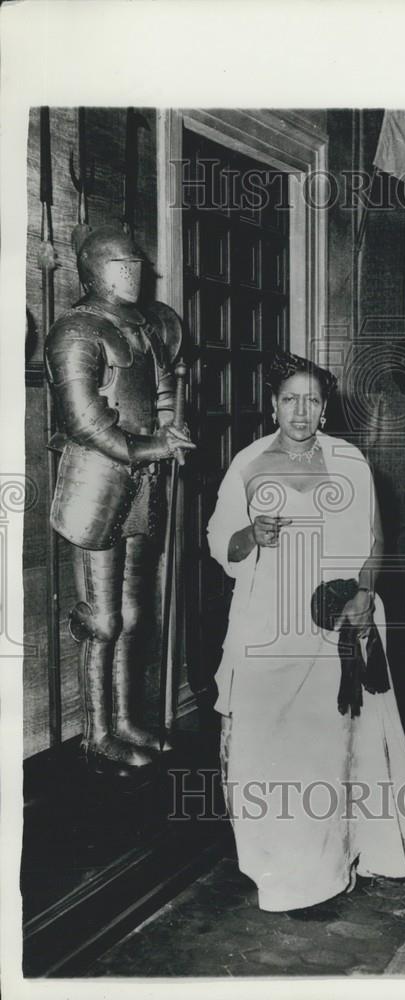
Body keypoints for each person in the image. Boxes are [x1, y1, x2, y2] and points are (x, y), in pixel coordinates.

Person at [207, 350, 405, 917]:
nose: (300, 411)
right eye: (290, 399)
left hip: (336, 623)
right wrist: (252, 533)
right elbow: (221, 546)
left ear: (325, 407)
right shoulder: (248, 464)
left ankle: (330, 869)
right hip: (267, 626)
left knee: (329, 750)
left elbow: (376, 540)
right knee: (267, 749)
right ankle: (280, 871)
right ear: (274, 405)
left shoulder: (350, 462)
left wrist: (362, 595)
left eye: (311, 400)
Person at [45, 224, 195, 773]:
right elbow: (87, 422)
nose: (132, 273)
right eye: (120, 266)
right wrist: (154, 446)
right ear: (93, 272)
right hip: (97, 480)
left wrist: (169, 427)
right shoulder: (75, 332)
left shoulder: (145, 325)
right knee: (101, 618)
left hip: (141, 482)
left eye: (136, 264)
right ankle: (98, 732)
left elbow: (158, 388)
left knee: (134, 613)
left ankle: (127, 721)